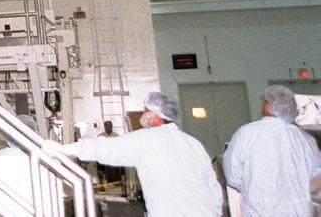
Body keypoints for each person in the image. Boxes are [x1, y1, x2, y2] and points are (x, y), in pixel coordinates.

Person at [58, 92, 222, 217]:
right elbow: (212, 185)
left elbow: (107, 148)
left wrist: (65, 149)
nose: (142, 116)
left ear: (156, 114)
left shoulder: (149, 138)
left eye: (145, 111)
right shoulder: (192, 143)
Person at [223, 84, 321, 217]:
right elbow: (316, 178)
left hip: (261, 211)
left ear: (268, 106)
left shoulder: (246, 133)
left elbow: (233, 178)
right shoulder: (306, 139)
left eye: (263, 101)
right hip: (300, 212)